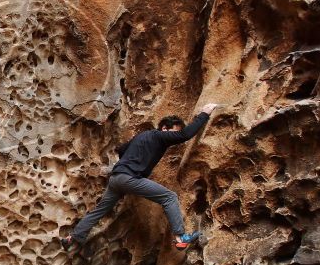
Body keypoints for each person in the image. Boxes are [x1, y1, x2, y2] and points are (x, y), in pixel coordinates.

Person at [60, 103, 218, 252]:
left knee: (99, 211)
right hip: (129, 178)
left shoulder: (143, 136)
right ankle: (180, 237)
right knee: (169, 197)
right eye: (173, 131)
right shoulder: (158, 136)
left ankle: (72, 237)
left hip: (116, 179)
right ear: (164, 128)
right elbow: (185, 135)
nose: (174, 136)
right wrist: (204, 114)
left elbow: (122, 149)